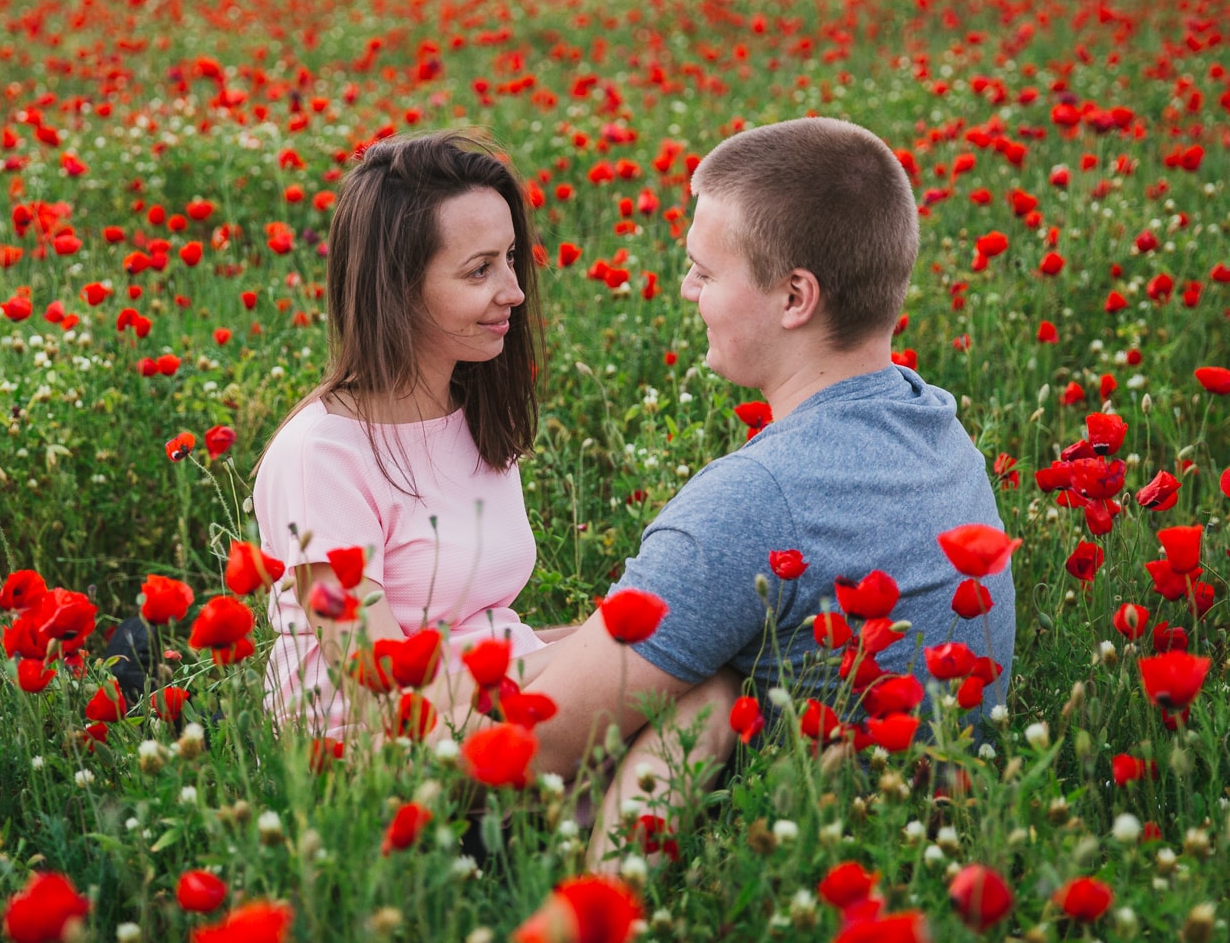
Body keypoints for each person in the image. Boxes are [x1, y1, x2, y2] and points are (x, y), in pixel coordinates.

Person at [485, 117, 1017, 862]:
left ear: (795, 296)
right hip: (937, 851)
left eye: (705, 270)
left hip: (796, 867)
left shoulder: (762, 498)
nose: (685, 288)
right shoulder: (939, 430)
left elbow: (531, 745)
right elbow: (666, 628)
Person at [251, 131, 570, 734]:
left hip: (482, 707)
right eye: (479, 271)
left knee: (695, 682)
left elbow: (480, 631)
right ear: (396, 288)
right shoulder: (322, 456)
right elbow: (379, 686)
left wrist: (597, 641)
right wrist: (590, 659)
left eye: (509, 258)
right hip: (374, 748)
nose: (515, 291)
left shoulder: (472, 413)